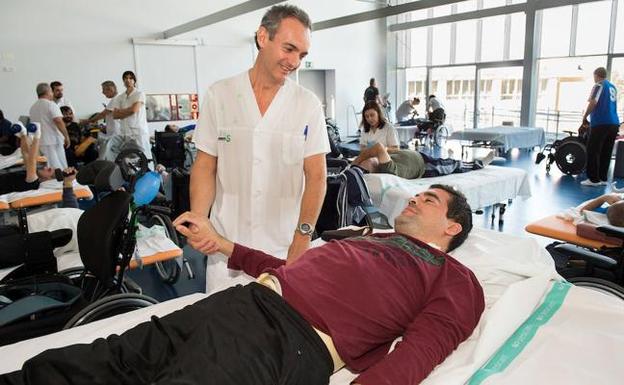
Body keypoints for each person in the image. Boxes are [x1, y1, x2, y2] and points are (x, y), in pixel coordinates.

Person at [0, 184, 484, 385]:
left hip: (285, 341)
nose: (416, 199)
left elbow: (419, 352)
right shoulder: (369, 237)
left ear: (452, 227)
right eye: (418, 193)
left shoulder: (454, 279)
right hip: (241, 302)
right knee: (113, 356)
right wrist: (227, 247)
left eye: (430, 199)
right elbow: (294, 271)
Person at [190, 5, 329, 291]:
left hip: (282, 249)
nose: (294, 61)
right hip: (225, 245)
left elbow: (316, 176)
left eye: (302, 55)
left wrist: (302, 238)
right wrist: (199, 221)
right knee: (222, 329)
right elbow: (205, 164)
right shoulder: (221, 94)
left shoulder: (307, 104)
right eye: (289, 49)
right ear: (263, 37)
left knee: (277, 331)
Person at [0, 122, 77, 203]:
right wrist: (23, 135)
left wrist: (37, 137)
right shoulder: (31, 175)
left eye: (49, 170)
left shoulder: (33, 182)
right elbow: (26, 154)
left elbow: (32, 159)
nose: (45, 167)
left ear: (47, 179)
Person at [353, 142, 495, 180]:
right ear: (373, 169)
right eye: (368, 162)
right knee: (453, 166)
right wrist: (357, 161)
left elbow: (385, 150)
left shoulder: (382, 161)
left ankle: (450, 159)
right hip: (425, 167)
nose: (369, 159)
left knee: (447, 162)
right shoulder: (387, 168)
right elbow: (378, 147)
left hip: (420, 156)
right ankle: (479, 164)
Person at [580, 67, 620, 186]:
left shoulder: (598, 85)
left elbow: (593, 102)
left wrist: (585, 116)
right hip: (614, 123)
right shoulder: (613, 87)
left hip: (601, 122)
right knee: (606, 151)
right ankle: (602, 178)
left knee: (593, 150)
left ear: (596, 75)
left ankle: (593, 179)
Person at [111, 71, 151, 160]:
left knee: (144, 158)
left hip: (139, 132)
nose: (128, 80)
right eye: (125, 78)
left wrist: (121, 111)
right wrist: (127, 111)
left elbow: (134, 110)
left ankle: (148, 174)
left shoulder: (139, 94)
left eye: (130, 78)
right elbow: (115, 115)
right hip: (126, 132)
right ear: (123, 81)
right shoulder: (120, 97)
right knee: (129, 159)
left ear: (134, 80)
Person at [28, 83, 70, 169]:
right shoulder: (51, 104)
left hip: (41, 141)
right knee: (59, 166)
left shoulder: (33, 107)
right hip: (53, 141)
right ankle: (62, 181)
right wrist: (66, 136)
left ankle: (53, 181)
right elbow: (58, 121)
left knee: (48, 167)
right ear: (48, 92)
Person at [84, 81, 121, 159]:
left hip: (115, 134)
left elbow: (102, 114)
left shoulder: (115, 99)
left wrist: (88, 121)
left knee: (110, 156)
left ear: (110, 89)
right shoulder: (117, 99)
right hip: (113, 132)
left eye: (103, 90)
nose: (102, 92)